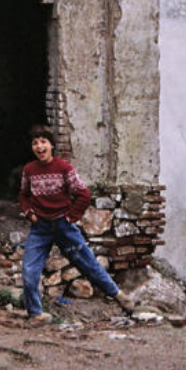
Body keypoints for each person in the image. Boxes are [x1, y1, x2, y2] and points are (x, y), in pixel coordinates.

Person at [19, 125, 137, 322]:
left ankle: (119, 296)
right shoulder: (29, 170)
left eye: (43, 142)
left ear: (52, 145)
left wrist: (70, 218)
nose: (39, 147)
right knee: (29, 270)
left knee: (88, 263)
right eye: (35, 143)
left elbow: (83, 195)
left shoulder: (64, 168)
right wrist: (29, 213)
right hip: (40, 228)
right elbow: (23, 195)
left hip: (63, 226)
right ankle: (36, 314)